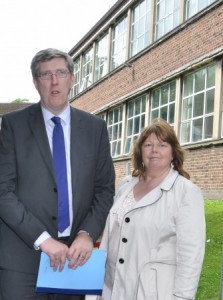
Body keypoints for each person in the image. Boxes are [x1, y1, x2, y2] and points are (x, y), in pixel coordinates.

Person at [0, 48, 115, 300]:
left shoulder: (95, 128)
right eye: (45, 74)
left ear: (72, 78)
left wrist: (87, 234)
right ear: (35, 82)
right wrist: (43, 239)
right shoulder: (12, 126)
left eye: (61, 73)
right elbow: (3, 192)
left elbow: (105, 189)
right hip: (22, 261)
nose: (54, 81)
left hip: (75, 257)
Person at [88, 118, 206, 300]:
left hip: (149, 292)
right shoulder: (126, 185)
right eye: (148, 145)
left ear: (173, 152)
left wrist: (183, 297)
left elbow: (191, 256)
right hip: (110, 288)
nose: (154, 151)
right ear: (140, 151)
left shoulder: (186, 192)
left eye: (162, 145)